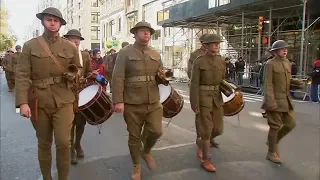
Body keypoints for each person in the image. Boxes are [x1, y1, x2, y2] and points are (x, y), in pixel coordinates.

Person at [15, 7, 82, 180]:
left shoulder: (70, 46)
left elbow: (79, 70)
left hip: (64, 100)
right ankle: (47, 178)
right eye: (49, 20)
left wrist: (74, 74)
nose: (52, 23)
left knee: (63, 143)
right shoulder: (30, 45)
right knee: (44, 143)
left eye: (56, 20)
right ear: (43, 21)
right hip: (39, 101)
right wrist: (22, 103)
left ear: (60, 24)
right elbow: (22, 75)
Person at [112, 21, 164, 180]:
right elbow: (117, 77)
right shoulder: (125, 53)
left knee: (156, 131)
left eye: (148, 31)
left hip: (153, 101)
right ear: (135, 34)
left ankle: (146, 151)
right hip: (132, 102)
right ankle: (136, 166)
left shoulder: (155, 53)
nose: (146, 34)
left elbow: (161, 74)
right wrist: (118, 101)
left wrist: (164, 77)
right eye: (142, 31)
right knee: (134, 136)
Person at [190, 34, 226, 172]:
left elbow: (222, 80)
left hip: (217, 98)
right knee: (206, 130)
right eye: (213, 43)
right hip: (203, 98)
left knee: (218, 129)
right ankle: (206, 160)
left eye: (218, 43)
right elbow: (194, 84)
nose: (217, 45)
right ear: (206, 45)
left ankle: (202, 142)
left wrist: (229, 95)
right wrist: (194, 103)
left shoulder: (221, 60)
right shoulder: (199, 61)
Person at [63, 29, 96, 164]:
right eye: (72, 38)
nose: (76, 41)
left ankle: (78, 144)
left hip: (81, 92)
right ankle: (70, 150)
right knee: (69, 123)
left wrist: (92, 75)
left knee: (81, 122)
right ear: (67, 40)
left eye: (77, 39)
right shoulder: (63, 55)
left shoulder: (85, 54)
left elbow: (88, 72)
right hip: (67, 92)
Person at [262, 40, 296, 163]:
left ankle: (273, 142)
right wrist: (271, 103)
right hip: (275, 100)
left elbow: (286, 81)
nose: (285, 50)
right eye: (282, 49)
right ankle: (271, 152)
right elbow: (268, 84)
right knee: (275, 127)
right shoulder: (270, 64)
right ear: (275, 51)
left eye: (286, 48)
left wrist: (295, 83)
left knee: (290, 124)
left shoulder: (287, 63)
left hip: (286, 100)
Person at [261, 48, 274, 118]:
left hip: (269, 83)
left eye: (266, 52)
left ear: (269, 53)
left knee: (269, 98)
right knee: (267, 98)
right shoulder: (268, 60)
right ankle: (267, 111)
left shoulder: (271, 61)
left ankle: (269, 112)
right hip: (266, 81)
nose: (265, 54)